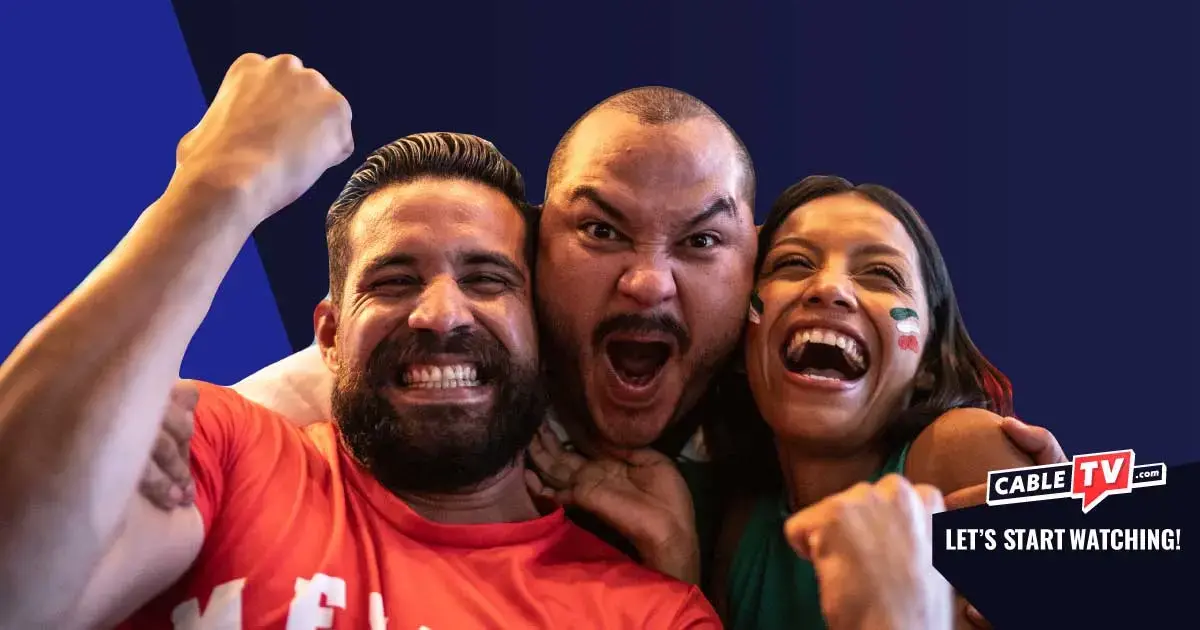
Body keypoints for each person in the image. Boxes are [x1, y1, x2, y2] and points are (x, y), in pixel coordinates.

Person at [138, 87, 1068, 587]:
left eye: (703, 241)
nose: (649, 280)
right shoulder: (424, 369)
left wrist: (1079, 515)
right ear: (537, 251)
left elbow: (1133, 550)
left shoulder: (910, 448)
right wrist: (148, 424)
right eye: (600, 229)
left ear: (741, 272)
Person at [0, 54, 723, 629]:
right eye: (394, 281)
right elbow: (16, 589)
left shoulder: (651, 612)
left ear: (538, 323)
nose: (441, 315)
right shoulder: (223, 452)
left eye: (485, 278)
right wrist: (219, 186)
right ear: (330, 336)